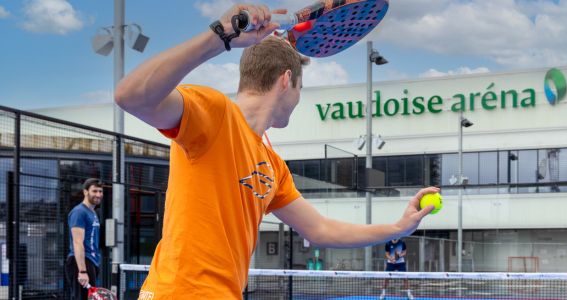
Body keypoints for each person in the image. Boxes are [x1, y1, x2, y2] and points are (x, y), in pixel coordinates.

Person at [114, 3, 440, 299]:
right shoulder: (214, 115)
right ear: (287, 81)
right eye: (301, 87)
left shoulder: (272, 166)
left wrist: (399, 228)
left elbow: (321, 229)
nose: (299, 99)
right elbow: (131, 96)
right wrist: (219, 36)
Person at [65, 178, 103, 300]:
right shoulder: (79, 212)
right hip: (81, 263)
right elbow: (77, 242)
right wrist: (82, 271)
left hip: (91, 261)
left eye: (100, 191)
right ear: (85, 192)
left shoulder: (93, 213)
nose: (98, 194)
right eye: (95, 191)